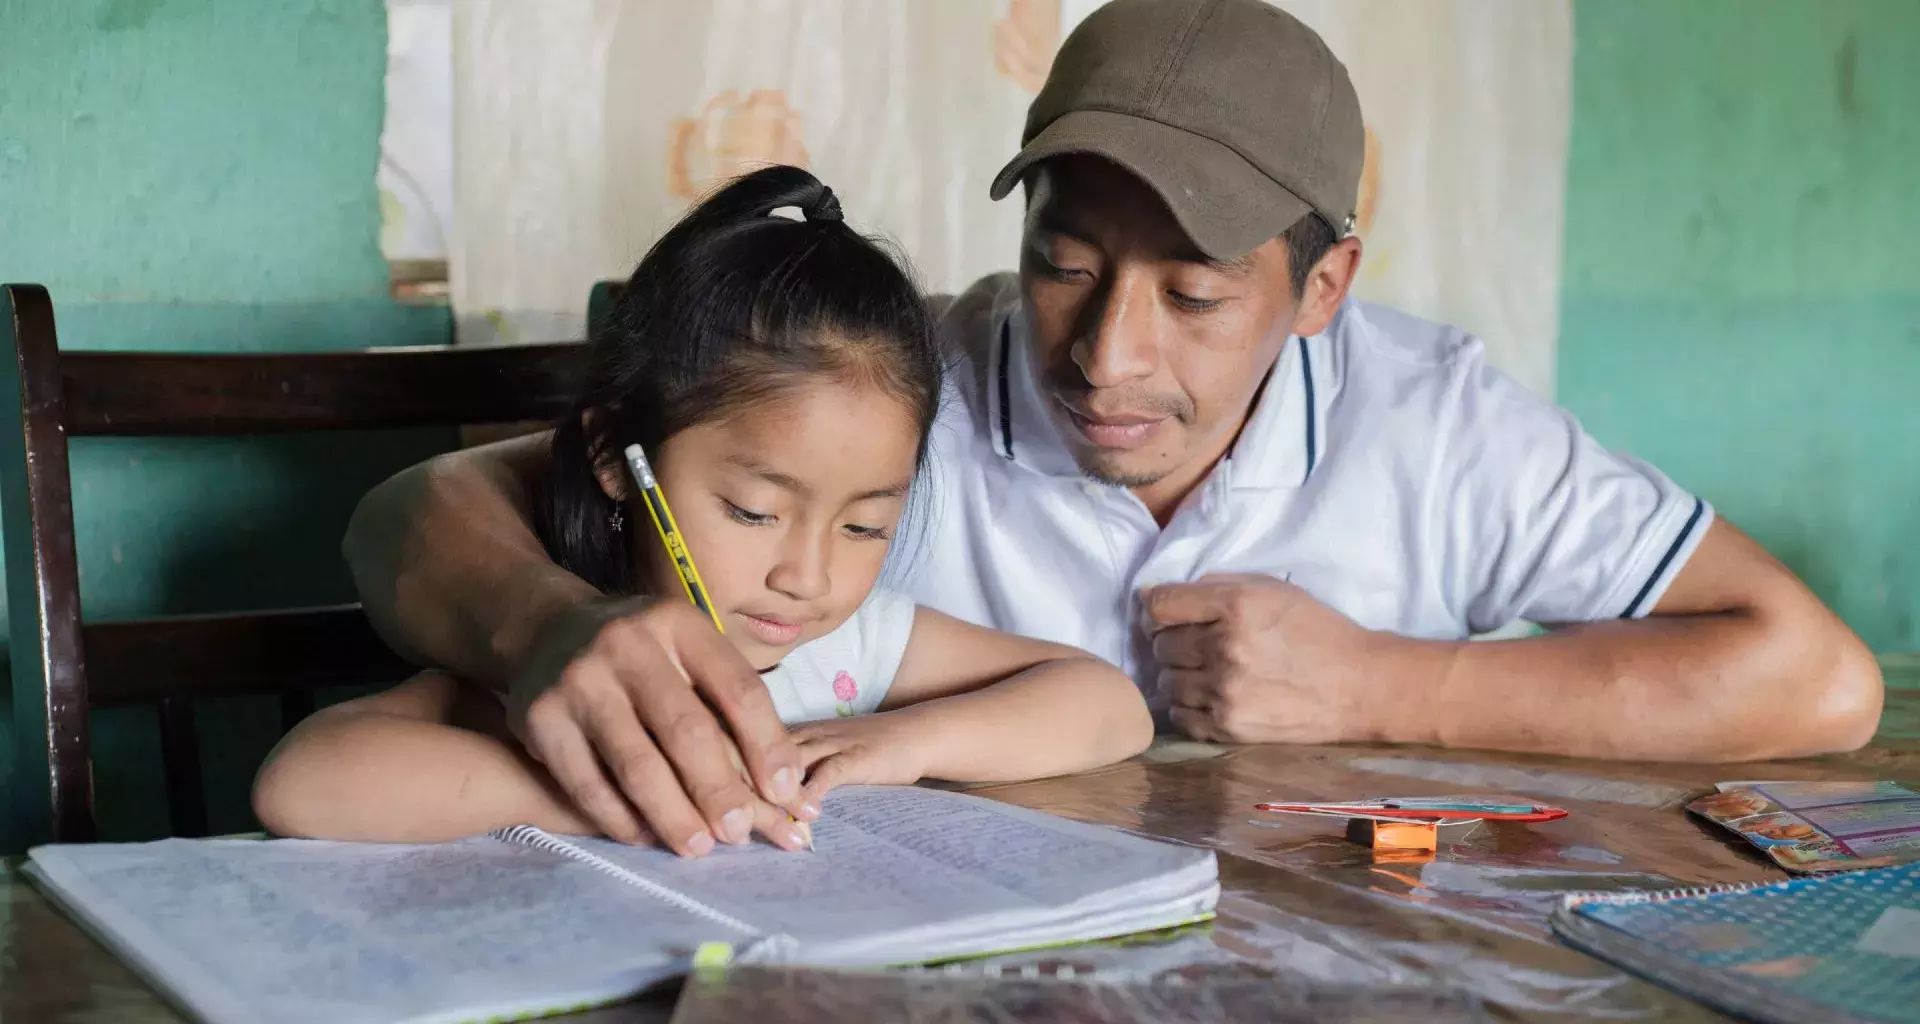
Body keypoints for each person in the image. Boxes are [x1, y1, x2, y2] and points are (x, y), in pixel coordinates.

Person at [338, 0, 1882, 852]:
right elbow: (419, 511)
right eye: (1065, 263)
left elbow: (1814, 678)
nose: (1103, 354)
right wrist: (544, 623)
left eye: (1195, 295)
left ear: (1324, 283)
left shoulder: (1444, 427)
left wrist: (1383, 680)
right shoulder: (890, 396)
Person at [253, 167, 1153, 851]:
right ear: (617, 458)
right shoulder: (577, 651)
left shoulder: (850, 652)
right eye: (754, 512)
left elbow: (1111, 706)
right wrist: (625, 792)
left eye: (865, 524)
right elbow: (302, 783)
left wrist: (901, 743)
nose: (808, 576)